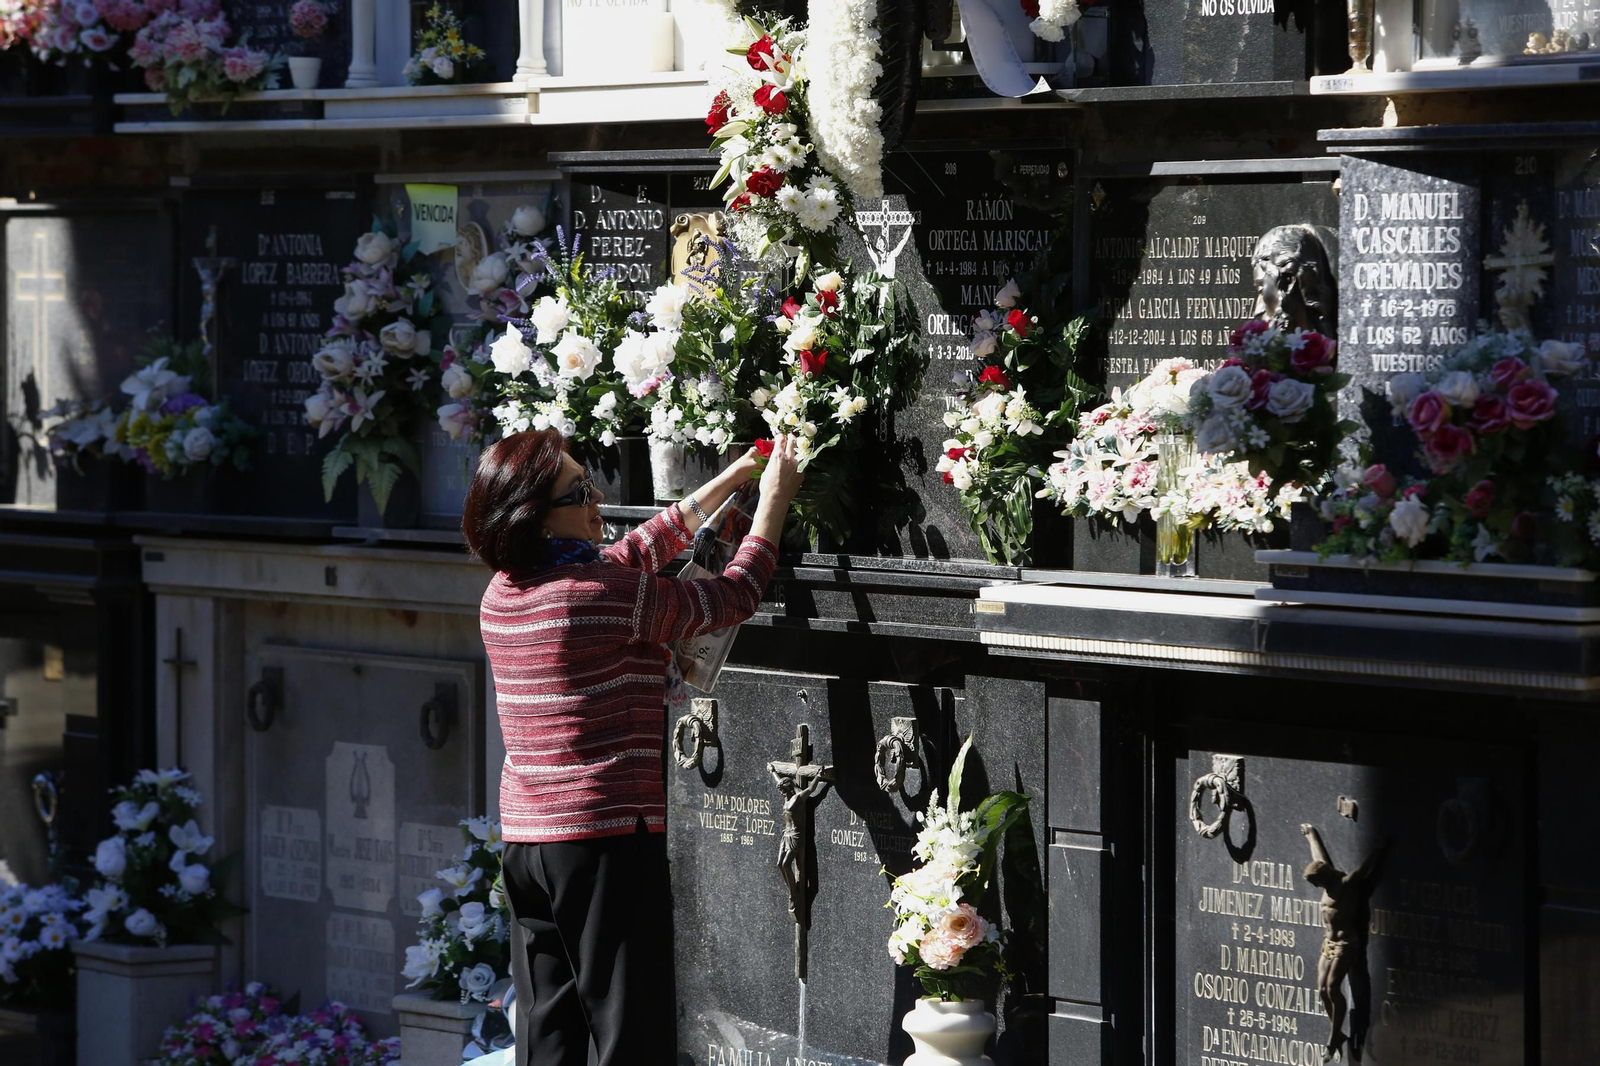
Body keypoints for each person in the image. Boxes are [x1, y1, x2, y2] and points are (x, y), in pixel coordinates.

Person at [462, 430, 804, 1066]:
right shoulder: (600, 598)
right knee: (632, 1032)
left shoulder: (504, 594)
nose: (598, 501)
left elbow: (633, 552)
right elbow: (730, 597)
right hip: (605, 841)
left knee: (548, 1032)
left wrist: (730, 481)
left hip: (532, 847)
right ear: (535, 519)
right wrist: (772, 504)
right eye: (580, 493)